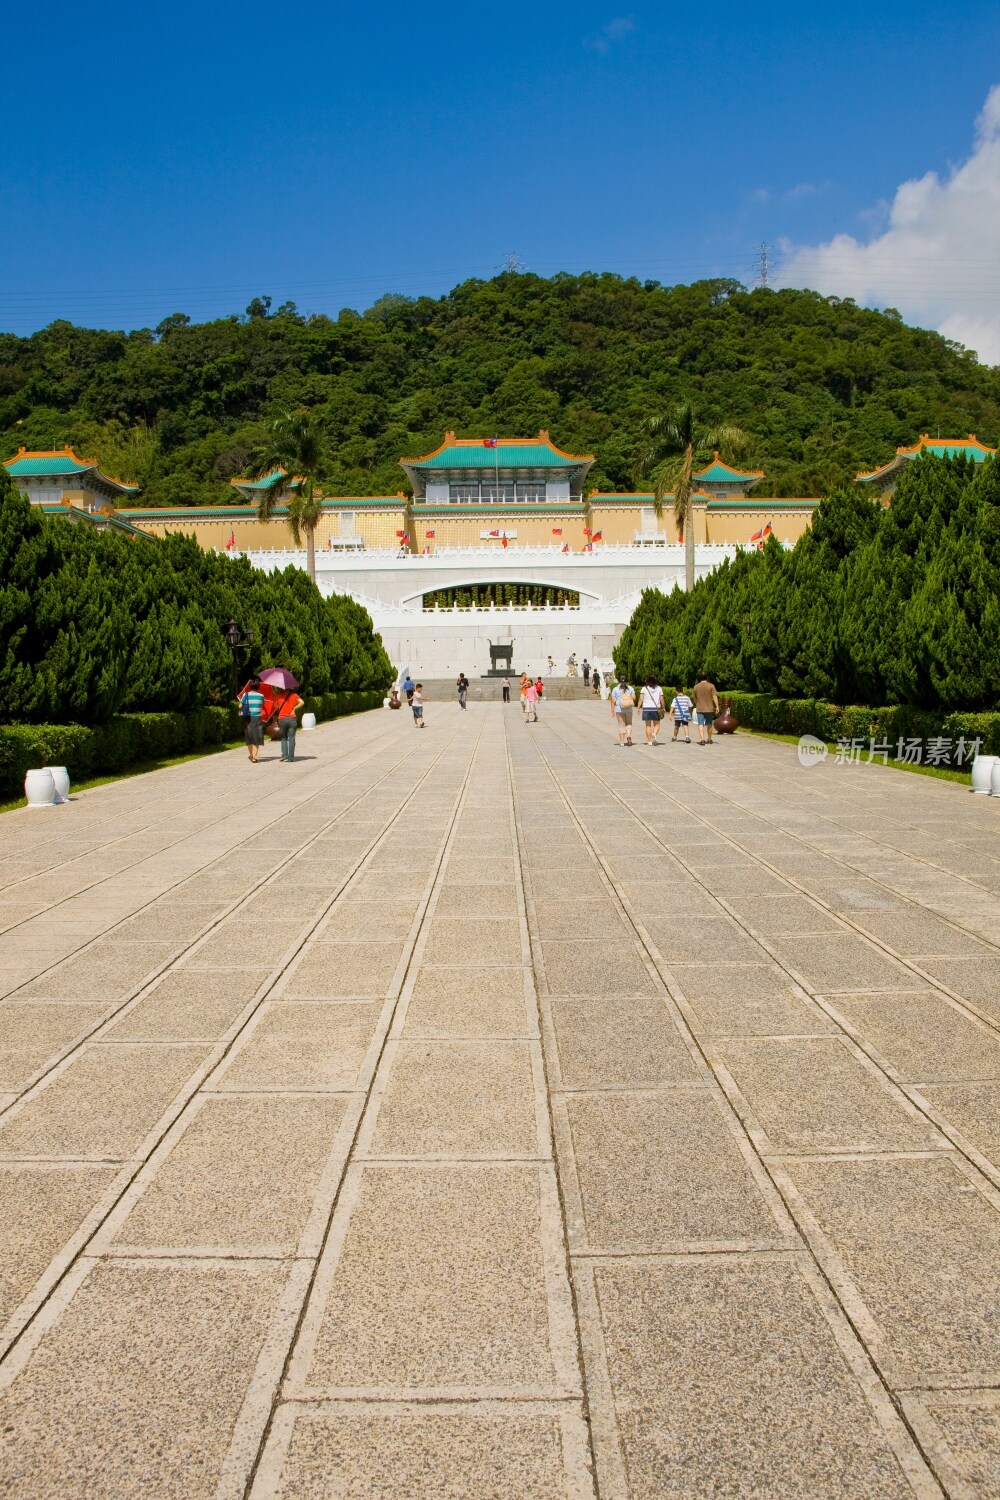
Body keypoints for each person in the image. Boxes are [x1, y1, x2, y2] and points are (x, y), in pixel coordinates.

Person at [273, 685, 305, 762]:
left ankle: (284, 756)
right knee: (291, 738)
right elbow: (302, 702)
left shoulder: (278, 696)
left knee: (283, 737)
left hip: (282, 719)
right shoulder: (294, 695)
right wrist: (294, 708)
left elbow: (275, 707)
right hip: (292, 718)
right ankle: (291, 757)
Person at [238, 676, 265, 764]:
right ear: (258, 687)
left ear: (250, 686)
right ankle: (254, 757)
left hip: (247, 717)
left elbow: (240, 706)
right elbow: (262, 705)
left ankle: (251, 755)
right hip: (257, 718)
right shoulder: (261, 696)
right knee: (256, 737)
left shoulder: (245, 695)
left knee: (249, 736)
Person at [692, 673, 721, 745]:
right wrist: (717, 706)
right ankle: (710, 738)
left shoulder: (696, 687)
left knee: (700, 724)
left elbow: (694, 698)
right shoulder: (711, 686)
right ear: (707, 677)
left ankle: (702, 739)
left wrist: (697, 704)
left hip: (700, 708)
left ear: (699, 678)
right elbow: (714, 696)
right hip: (709, 708)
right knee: (709, 724)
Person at [639, 676, 665, 744]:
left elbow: (641, 699)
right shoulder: (659, 688)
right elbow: (661, 699)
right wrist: (663, 707)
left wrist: (638, 707)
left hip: (646, 709)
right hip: (655, 709)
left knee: (648, 725)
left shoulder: (644, 688)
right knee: (657, 724)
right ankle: (654, 733)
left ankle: (649, 741)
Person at [610, 678, 635, 747]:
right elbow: (634, 698)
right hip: (629, 709)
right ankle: (629, 736)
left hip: (619, 709)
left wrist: (612, 710)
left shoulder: (615, 689)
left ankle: (622, 742)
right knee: (629, 723)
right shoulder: (630, 688)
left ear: (619, 681)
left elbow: (613, 700)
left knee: (621, 725)